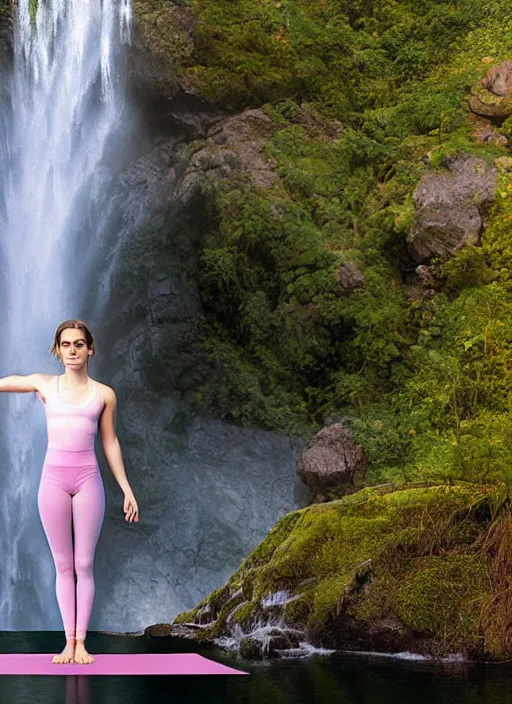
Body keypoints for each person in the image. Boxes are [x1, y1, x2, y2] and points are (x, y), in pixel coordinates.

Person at [0, 319, 139, 665]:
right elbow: (12, 382)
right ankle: (67, 642)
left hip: (87, 480)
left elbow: (110, 442)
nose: (73, 350)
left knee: (84, 563)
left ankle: (81, 643)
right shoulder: (45, 385)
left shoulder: (104, 394)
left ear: (90, 349)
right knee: (63, 565)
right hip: (53, 481)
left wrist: (126, 489)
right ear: (57, 350)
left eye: (79, 344)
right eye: (66, 344)